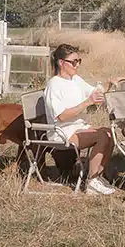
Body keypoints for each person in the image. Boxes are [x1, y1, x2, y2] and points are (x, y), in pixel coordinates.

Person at [43, 43, 115, 196]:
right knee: (101, 136)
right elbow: (61, 116)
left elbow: (95, 93)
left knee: (110, 133)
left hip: (78, 128)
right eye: (74, 61)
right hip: (62, 132)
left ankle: (98, 177)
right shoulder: (53, 85)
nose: (77, 65)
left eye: (79, 61)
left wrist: (109, 83)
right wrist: (87, 102)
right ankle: (91, 182)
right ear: (61, 63)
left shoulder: (75, 79)